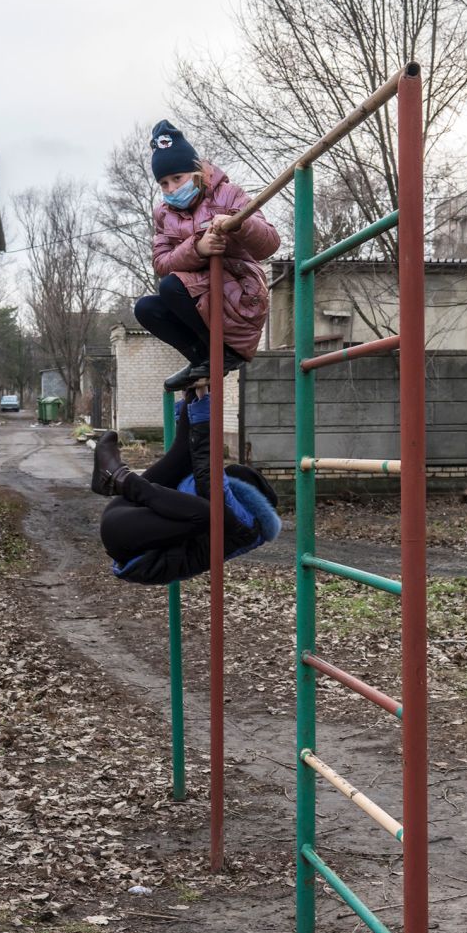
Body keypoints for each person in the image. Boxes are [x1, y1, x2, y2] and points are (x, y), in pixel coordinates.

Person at [136, 120, 281, 393]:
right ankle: (203, 358)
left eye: (177, 178)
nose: (170, 189)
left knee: (172, 286)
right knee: (146, 307)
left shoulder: (227, 195)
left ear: (197, 171)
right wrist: (198, 248)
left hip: (239, 296)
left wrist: (238, 222)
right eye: (163, 183)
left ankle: (222, 354)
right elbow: (161, 263)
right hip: (201, 297)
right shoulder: (164, 214)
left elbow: (270, 244)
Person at [91, 384, 281, 586]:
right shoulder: (239, 516)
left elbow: (207, 471)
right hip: (127, 519)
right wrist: (193, 397)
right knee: (183, 462)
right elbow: (188, 453)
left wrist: (204, 407)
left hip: (135, 549)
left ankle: (119, 478)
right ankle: (114, 478)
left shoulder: (244, 525)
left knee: (210, 514)